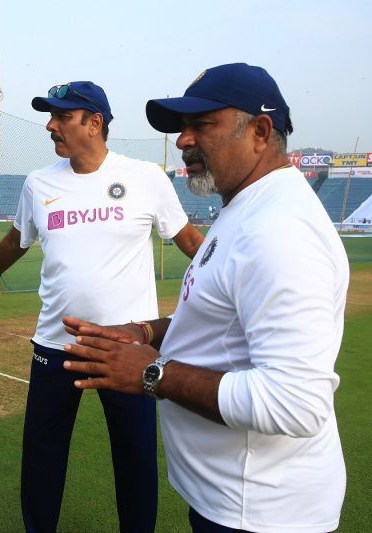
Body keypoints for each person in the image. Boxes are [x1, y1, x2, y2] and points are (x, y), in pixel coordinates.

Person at [63, 63, 348, 533]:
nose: (183, 140)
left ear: (259, 132)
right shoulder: (247, 207)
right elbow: (220, 319)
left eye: (202, 125)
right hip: (231, 499)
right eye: (182, 127)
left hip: (260, 512)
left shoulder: (280, 231)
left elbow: (294, 403)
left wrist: (152, 372)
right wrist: (143, 331)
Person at [0, 80, 203, 532]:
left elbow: (190, 240)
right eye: (50, 117)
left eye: (62, 117)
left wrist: (235, 279)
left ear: (94, 123)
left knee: (134, 457)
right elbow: (19, 237)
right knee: (42, 455)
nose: (51, 126)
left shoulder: (145, 177)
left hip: (126, 348)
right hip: (56, 347)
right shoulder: (38, 183)